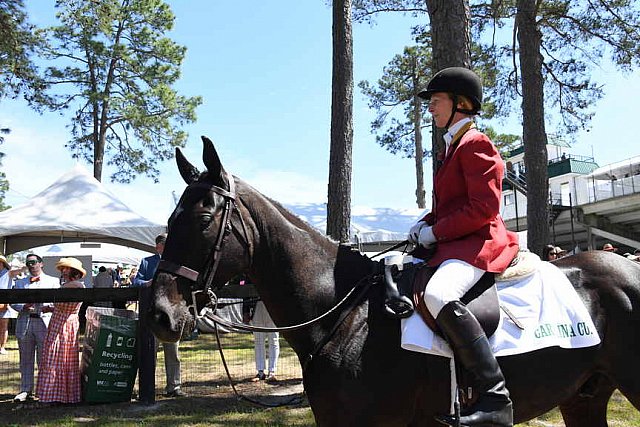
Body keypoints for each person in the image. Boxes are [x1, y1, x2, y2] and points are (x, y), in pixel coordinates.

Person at [408, 67, 519, 427]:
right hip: (454, 241)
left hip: (478, 242)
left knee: (439, 294)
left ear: (461, 104)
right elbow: (450, 206)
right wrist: (426, 223)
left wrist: (436, 233)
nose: (430, 110)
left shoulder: (477, 144)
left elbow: (483, 209)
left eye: (436, 102)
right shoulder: (453, 146)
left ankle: (495, 396)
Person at [133, 233, 185, 397]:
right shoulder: (147, 262)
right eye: (166, 244)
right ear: (158, 246)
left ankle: (174, 387)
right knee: (149, 352)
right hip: (152, 315)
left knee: (173, 353)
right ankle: (148, 387)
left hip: (172, 316)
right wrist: (147, 283)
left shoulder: (177, 263)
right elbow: (136, 281)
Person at [10, 254, 60, 402]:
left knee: (44, 359)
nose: (31, 265)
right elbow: (12, 301)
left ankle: (45, 390)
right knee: (25, 359)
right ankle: (25, 389)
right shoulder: (20, 283)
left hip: (44, 323)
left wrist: (48, 307)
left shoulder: (53, 281)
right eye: (28, 263)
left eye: (33, 262)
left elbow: (58, 302)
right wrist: (22, 306)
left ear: (41, 264)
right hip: (25, 322)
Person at [36, 257, 85, 405]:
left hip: (66, 325)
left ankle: (62, 396)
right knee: (53, 357)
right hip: (57, 322)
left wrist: (56, 293)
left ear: (74, 271)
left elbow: (73, 292)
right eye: (63, 268)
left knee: (63, 357)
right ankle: (53, 395)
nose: (63, 271)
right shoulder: (68, 285)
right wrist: (51, 308)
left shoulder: (76, 285)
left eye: (66, 268)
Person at [250, 300, 280, 383]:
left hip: (272, 306)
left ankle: (272, 372)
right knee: (258, 341)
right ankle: (260, 372)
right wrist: (245, 311)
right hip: (256, 305)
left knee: (273, 340)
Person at [0, 254, 18, 355]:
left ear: (2, 263)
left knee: (3, 326)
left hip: (4, 303)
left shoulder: (8, 273)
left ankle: (2, 347)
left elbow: (19, 271)